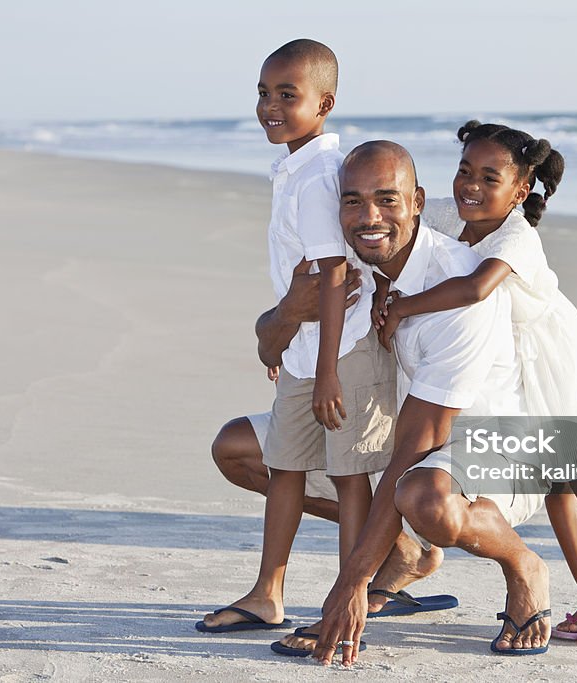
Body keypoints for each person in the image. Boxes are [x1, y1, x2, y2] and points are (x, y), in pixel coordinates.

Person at [371, 120, 577, 646]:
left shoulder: (518, 235)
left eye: (489, 178)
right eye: (464, 170)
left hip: (552, 354)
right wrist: (382, 286)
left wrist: (401, 307)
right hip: (507, 360)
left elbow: (474, 286)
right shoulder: (447, 216)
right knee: (552, 479)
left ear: (519, 191)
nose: (470, 185)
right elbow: (404, 245)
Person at [312, 140, 553, 666]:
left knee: (424, 498)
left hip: (497, 447)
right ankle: (407, 554)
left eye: (386, 200)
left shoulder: (457, 294)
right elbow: (274, 331)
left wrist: (351, 582)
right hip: (411, 434)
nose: (368, 217)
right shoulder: (355, 259)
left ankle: (524, 564)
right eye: (352, 201)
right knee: (244, 451)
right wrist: (285, 316)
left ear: (417, 201)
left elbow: (413, 452)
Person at [196, 39, 397, 634]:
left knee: (347, 474)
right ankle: (267, 593)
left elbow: (333, 273)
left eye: (288, 94)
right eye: (263, 93)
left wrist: (328, 367)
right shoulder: (293, 167)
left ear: (325, 102)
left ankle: (344, 601)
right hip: (309, 351)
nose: (270, 105)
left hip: (345, 353)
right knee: (284, 466)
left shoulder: (317, 177)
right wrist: (289, 345)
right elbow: (301, 280)